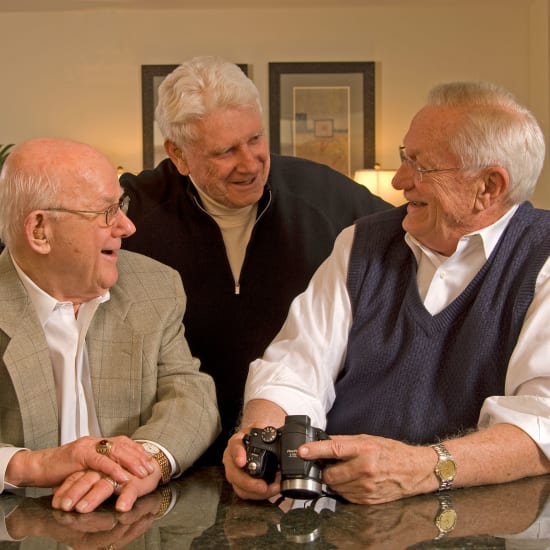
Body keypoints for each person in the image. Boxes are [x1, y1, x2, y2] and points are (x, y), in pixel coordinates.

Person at [223, 81, 550, 505]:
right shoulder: (360, 242)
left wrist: (423, 468)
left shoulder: (542, 259)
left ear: (488, 185)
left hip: (481, 520)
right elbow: (294, 367)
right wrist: (259, 437)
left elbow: (541, 423)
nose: (399, 181)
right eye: (404, 157)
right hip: (340, 516)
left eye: (421, 167)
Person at [120, 55, 391, 463]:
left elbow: (416, 245)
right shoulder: (129, 214)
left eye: (255, 140)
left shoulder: (326, 195)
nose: (249, 164)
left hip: (304, 451)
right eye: (225, 151)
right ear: (178, 154)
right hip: (173, 453)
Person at [0, 137, 220, 513]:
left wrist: (147, 460)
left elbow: (191, 395)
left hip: (129, 526)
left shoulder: (155, 286)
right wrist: (31, 466)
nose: (127, 226)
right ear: (39, 230)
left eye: (122, 204)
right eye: (106, 211)